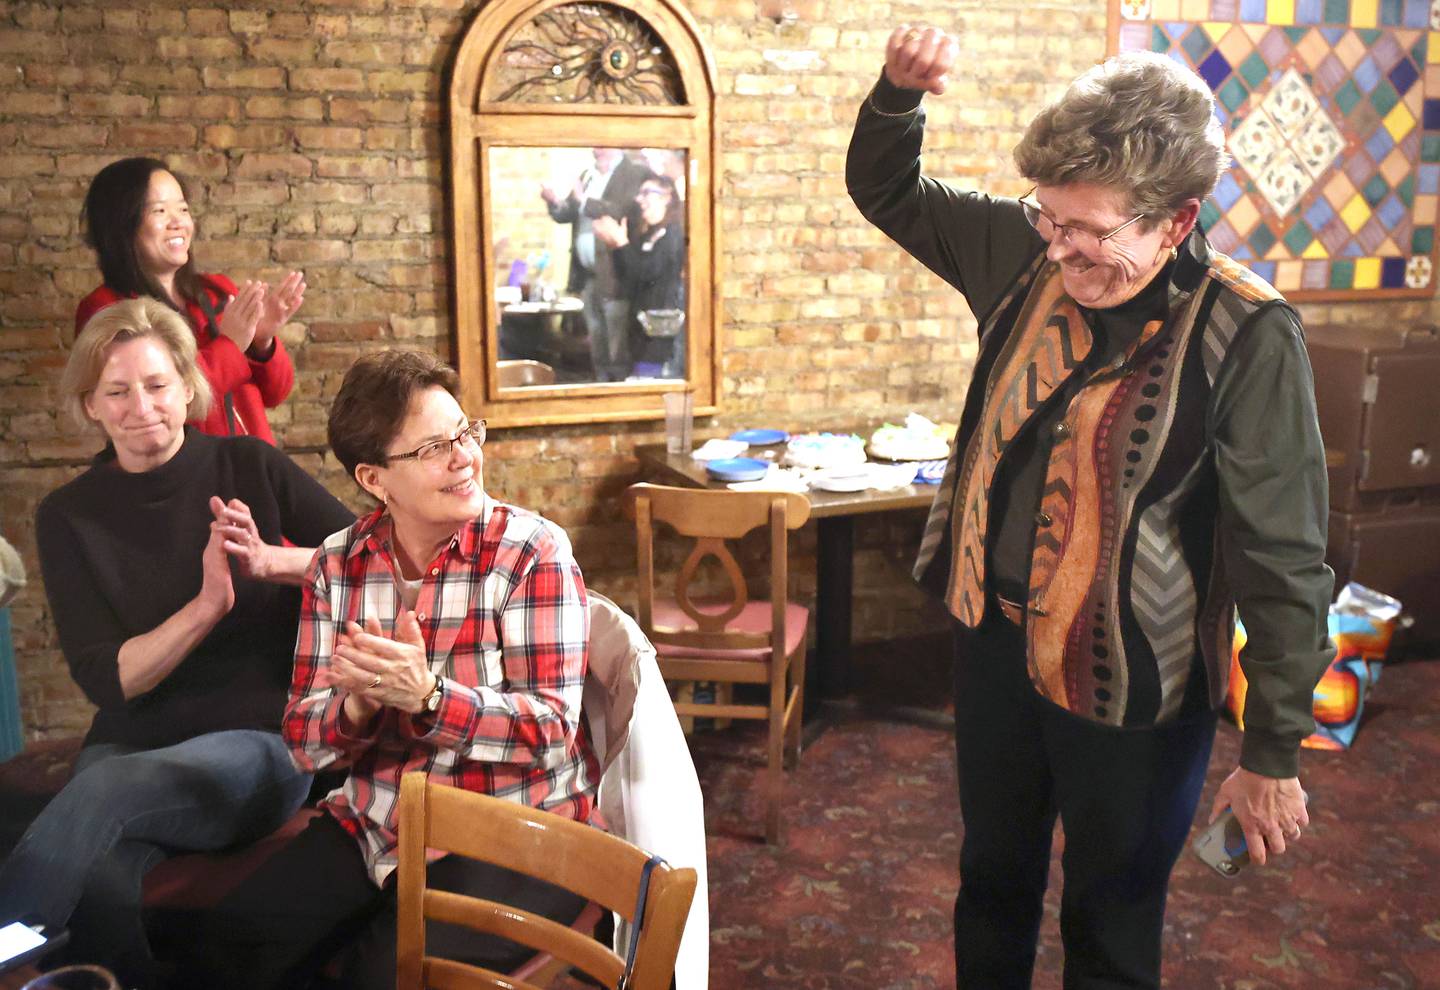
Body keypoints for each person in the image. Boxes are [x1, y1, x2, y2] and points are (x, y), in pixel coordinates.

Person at [847, 28, 1334, 989]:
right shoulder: (1026, 258)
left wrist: (1273, 746)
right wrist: (898, 96)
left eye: (1092, 231)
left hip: (1136, 686)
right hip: (993, 644)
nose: (1062, 248)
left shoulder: (1248, 333)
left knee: (1110, 919)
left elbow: (1283, 558)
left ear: (1177, 219)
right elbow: (890, 192)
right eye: (1048, 219)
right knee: (991, 877)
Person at [181, 349, 600, 989]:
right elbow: (302, 743)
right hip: (376, 819)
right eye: (434, 447)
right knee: (223, 948)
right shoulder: (337, 564)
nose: (465, 457)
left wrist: (430, 696)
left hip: (515, 828)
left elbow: (550, 732)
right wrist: (355, 708)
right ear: (375, 480)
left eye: (465, 433)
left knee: (381, 977)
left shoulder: (531, 552)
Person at [0, 298, 353, 986]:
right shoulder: (68, 514)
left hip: (262, 744)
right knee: (102, 884)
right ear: (90, 406)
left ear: (188, 386)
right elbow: (110, 681)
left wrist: (274, 564)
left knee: (102, 787)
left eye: (158, 384)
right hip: (129, 746)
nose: (142, 406)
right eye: (118, 391)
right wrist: (205, 607)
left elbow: (370, 562)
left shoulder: (248, 464)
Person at [75, 157, 305, 444]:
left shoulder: (216, 291)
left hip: (251, 469)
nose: (178, 223)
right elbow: (165, 405)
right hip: (176, 476)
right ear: (121, 224)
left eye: (182, 209)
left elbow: (275, 393)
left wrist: (262, 342)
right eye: (159, 211)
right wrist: (232, 345)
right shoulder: (105, 310)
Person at [542, 148, 651, 381]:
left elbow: (621, 211)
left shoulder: (634, 174)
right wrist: (553, 202)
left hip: (615, 276)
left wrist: (584, 200)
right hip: (588, 277)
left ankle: (620, 398)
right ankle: (602, 389)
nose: (596, 149)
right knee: (598, 347)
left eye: (602, 144)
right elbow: (568, 214)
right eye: (594, 145)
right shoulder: (587, 175)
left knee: (617, 348)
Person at [594, 174, 686, 378]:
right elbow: (628, 276)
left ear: (666, 196)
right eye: (639, 193)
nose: (639, 199)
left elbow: (648, 272)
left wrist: (620, 243)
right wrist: (616, 246)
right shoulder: (649, 232)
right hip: (642, 327)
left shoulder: (673, 234)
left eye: (646, 193)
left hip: (660, 332)